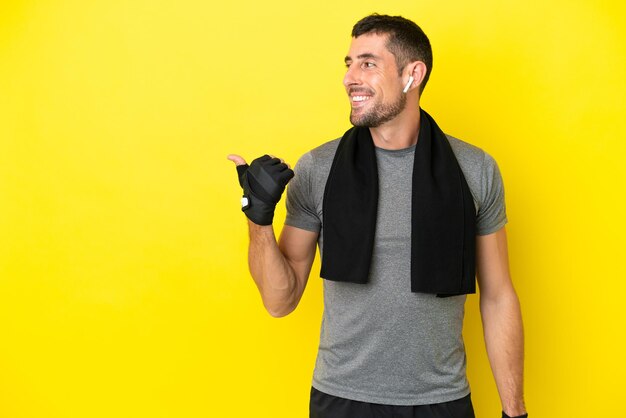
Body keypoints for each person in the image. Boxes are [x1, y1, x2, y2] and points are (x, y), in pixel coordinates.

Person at [228, 14, 527, 418]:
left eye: (368, 63)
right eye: (348, 64)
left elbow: (497, 296)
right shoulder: (319, 168)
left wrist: (515, 411)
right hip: (341, 399)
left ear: (412, 75)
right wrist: (258, 218)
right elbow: (280, 301)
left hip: (441, 400)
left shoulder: (474, 170)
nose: (351, 77)